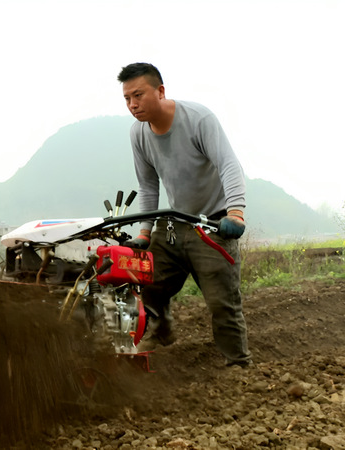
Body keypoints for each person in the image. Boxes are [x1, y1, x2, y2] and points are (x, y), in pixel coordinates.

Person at [116, 62, 252, 367]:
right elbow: (148, 186)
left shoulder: (198, 119)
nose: (132, 104)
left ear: (160, 91)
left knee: (222, 303)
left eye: (138, 95)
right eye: (127, 98)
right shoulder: (138, 133)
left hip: (212, 225)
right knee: (148, 281)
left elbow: (229, 164)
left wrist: (236, 213)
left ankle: (239, 366)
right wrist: (144, 231)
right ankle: (161, 329)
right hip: (173, 225)